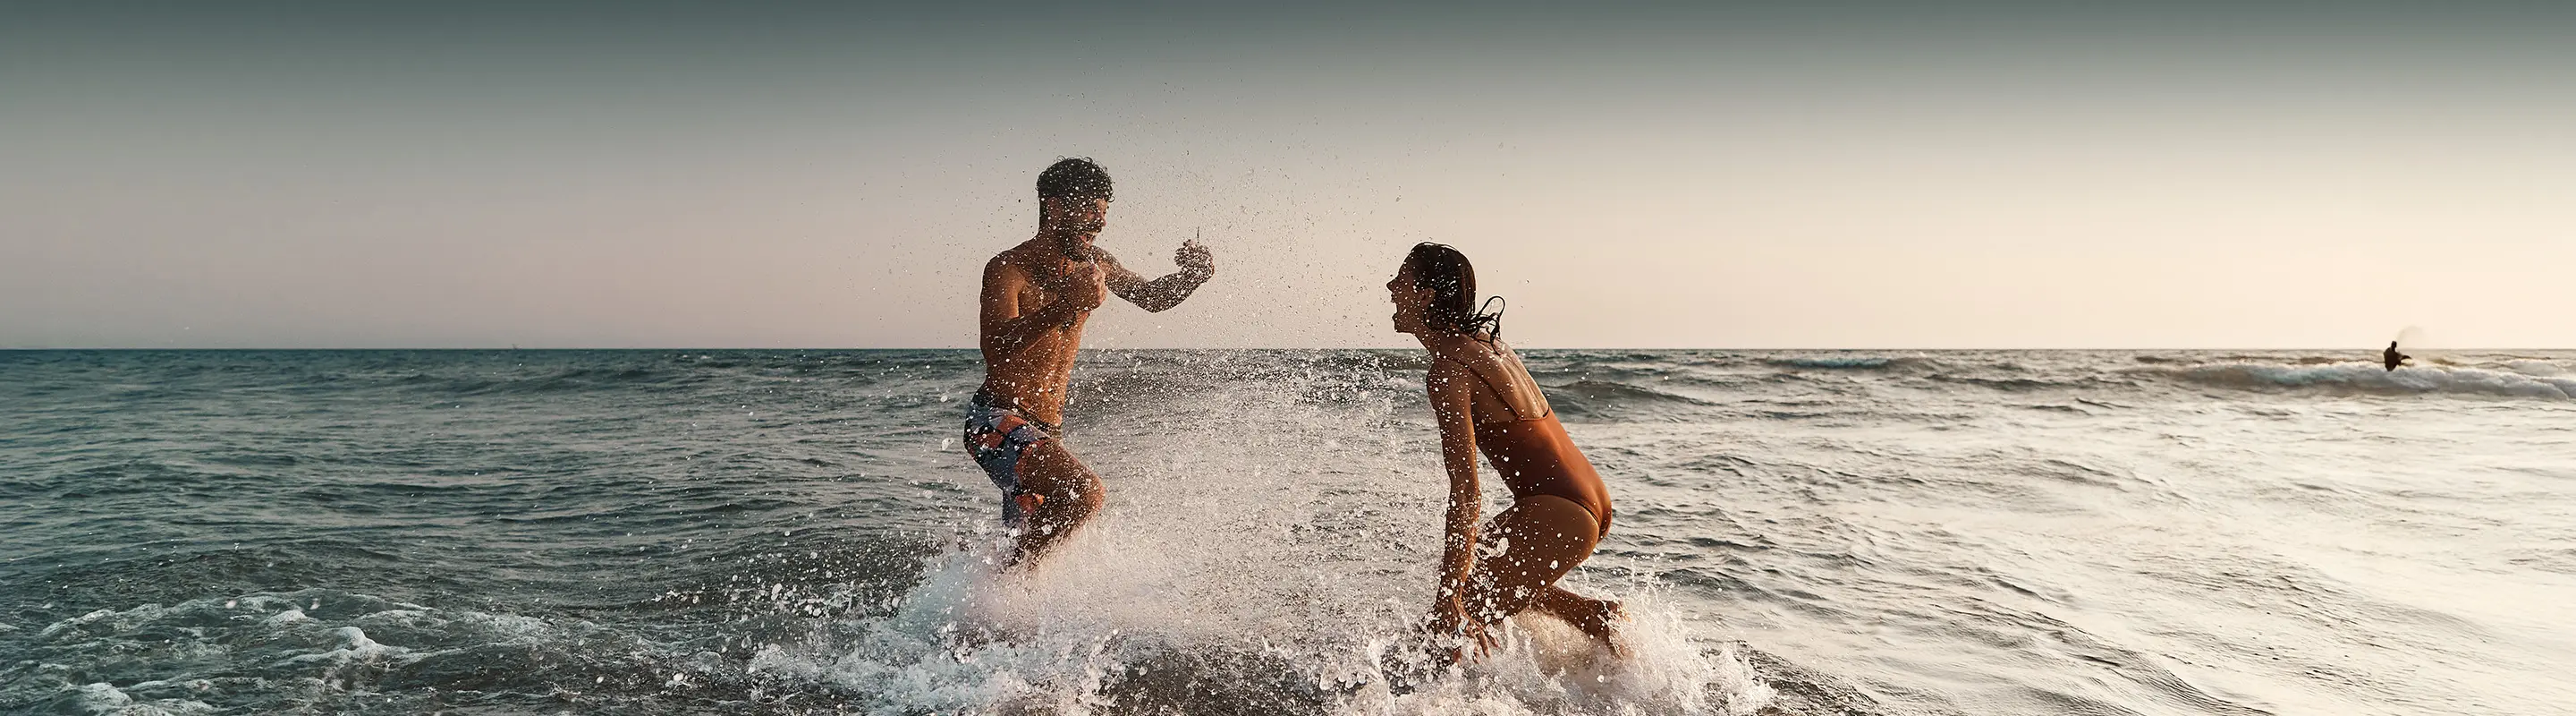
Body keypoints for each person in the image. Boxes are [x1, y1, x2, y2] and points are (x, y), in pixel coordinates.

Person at [965, 158, 1215, 568]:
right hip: (994, 422)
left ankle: (989, 614)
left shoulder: (1096, 264)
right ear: (1056, 207)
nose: (1098, 225)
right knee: (1083, 494)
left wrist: (1194, 275)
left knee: (1031, 543)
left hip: (1046, 433)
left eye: (1103, 215)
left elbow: (1152, 297)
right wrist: (1066, 304)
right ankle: (1006, 589)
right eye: (1090, 213)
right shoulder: (1010, 268)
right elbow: (996, 347)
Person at [1386, 243, 1623, 664]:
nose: (1390, 287)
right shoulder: (1487, 345)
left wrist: (1448, 599)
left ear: (1424, 295)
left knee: (1447, 626)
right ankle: (1594, 618)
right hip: (1586, 499)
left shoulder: (1449, 371)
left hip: (1560, 511)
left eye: (1400, 280)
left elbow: (1466, 491)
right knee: (1475, 571)